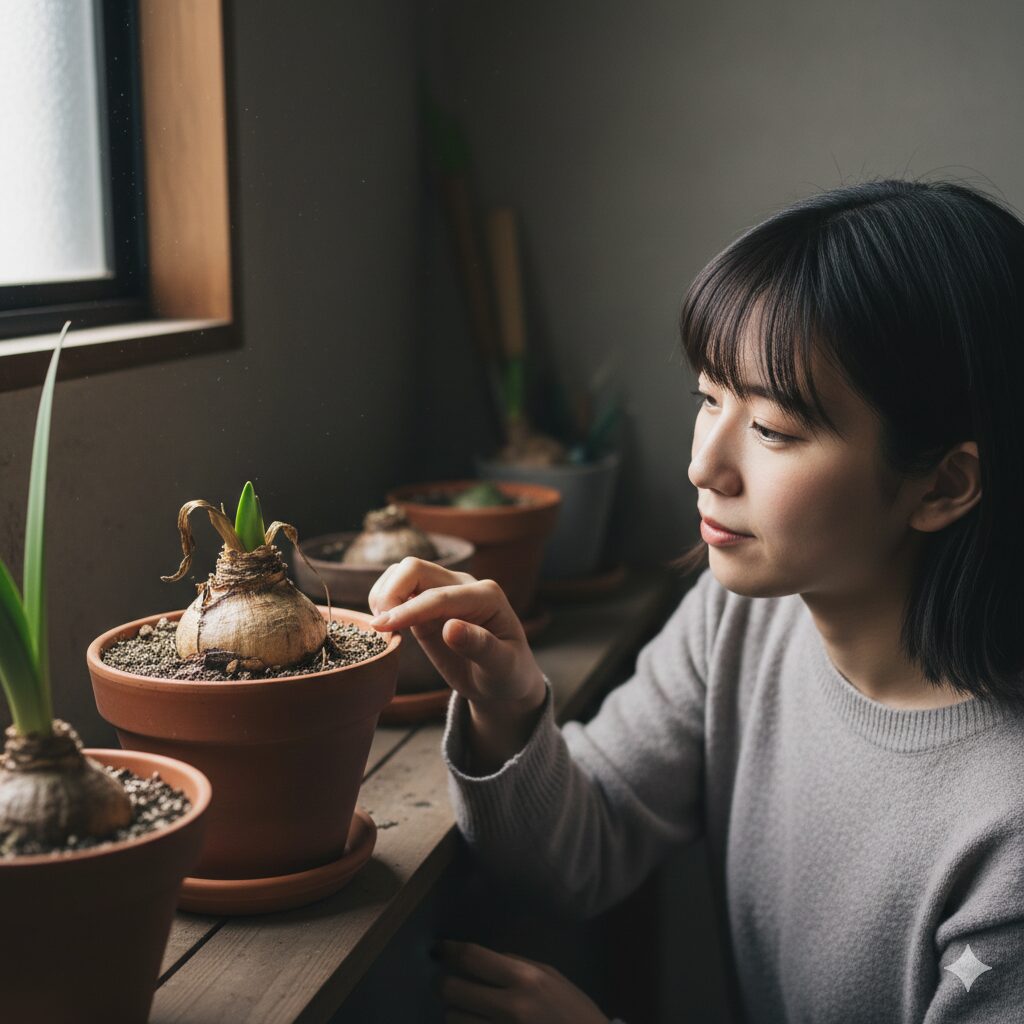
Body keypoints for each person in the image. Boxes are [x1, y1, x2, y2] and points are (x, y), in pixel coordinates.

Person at [368, 178, 1024, 1023]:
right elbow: (582, 849)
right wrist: (508, 701)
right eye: (709, 399)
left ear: (943, 486)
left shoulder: (1005, 826)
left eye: (774, 430)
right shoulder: (742, 616)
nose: (703, 465)